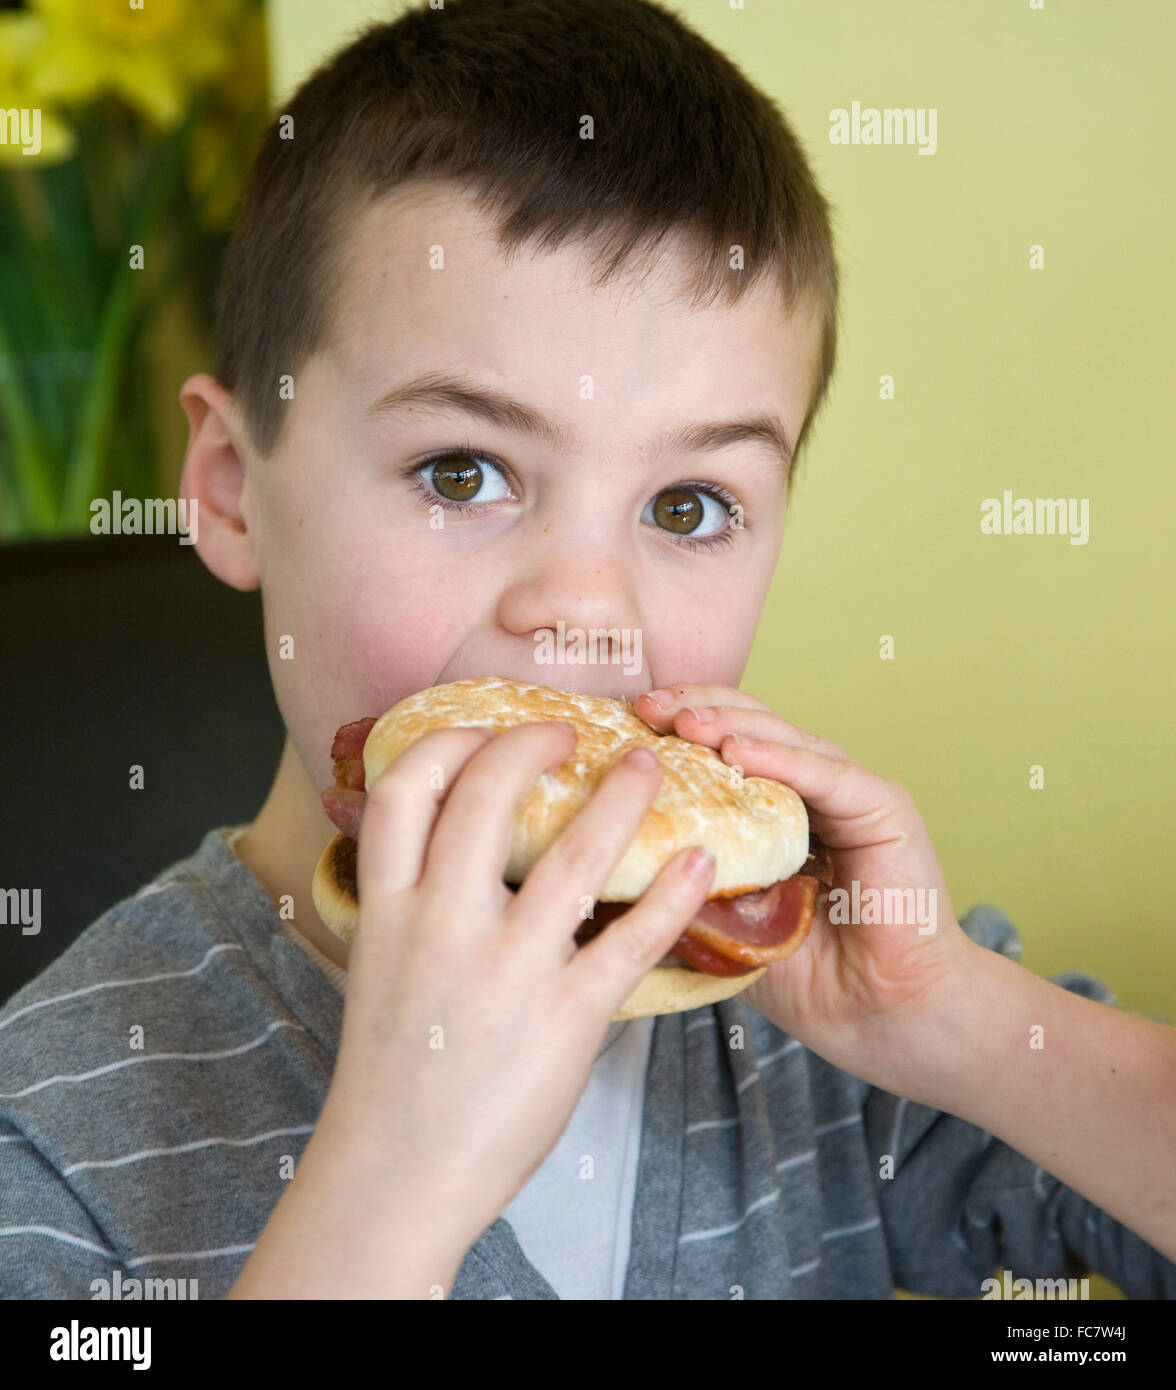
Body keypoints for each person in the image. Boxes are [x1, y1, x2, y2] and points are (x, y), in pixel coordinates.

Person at [2, 0, 1173, 1301]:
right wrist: (389, 1185)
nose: (585, 610)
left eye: (687, 508)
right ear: (229, 489)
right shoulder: (51, 1131)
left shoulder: (827, 1034)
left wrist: (947, 1021)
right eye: (463, 469)